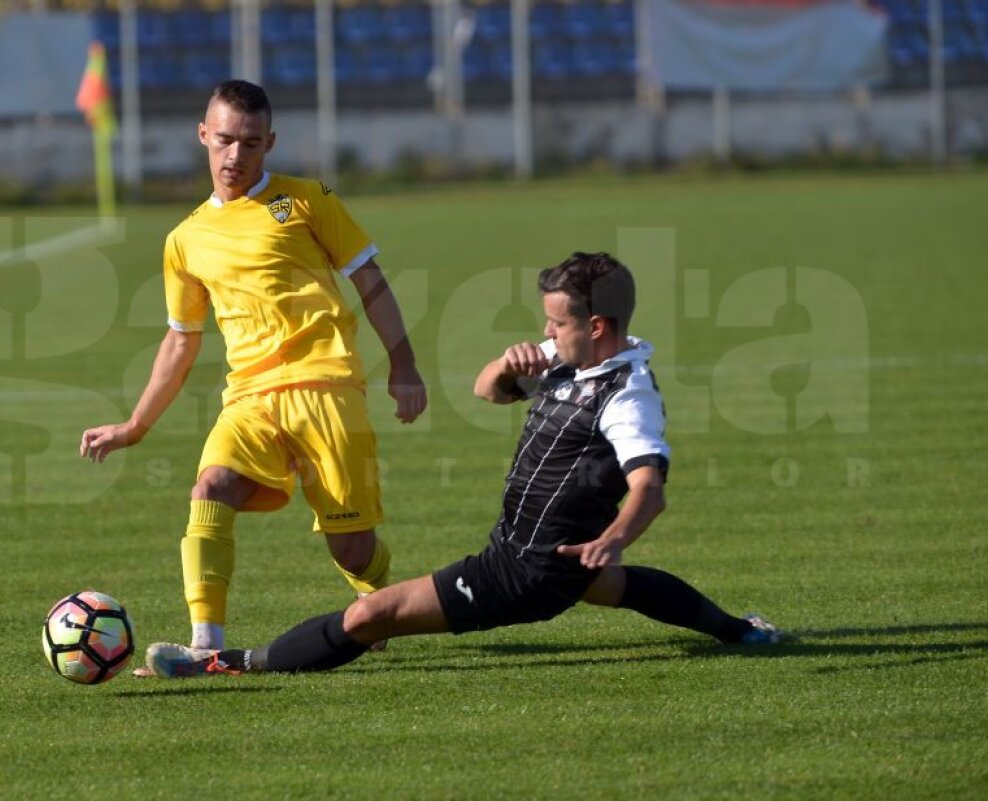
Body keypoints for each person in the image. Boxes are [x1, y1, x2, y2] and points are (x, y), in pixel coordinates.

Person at [142, 251, 780, 679]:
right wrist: (507, 367)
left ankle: (223, 663)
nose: (546, 330)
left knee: (371, 616)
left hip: (520, 570)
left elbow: (649, 488)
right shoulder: (574, 363)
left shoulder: (625, 396)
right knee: (618, 588)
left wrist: (612, 538)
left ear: (598, 323)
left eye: (557, 322)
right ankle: (739, 631)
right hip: (547, 554)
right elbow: (486, 391)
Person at [80, 80, 427, 663]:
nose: (235, 156)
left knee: (351, 548)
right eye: (224, 140)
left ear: (270, 142)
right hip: (249, 398)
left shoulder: (307, 199)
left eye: (250, 143)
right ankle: (205, 648)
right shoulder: (185, 239)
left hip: (326, 387)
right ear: (202, 136)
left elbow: (370, 280)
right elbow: (180, 338)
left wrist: (405, 365)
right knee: (209, 489)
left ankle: (380, 597)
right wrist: (136, 425)